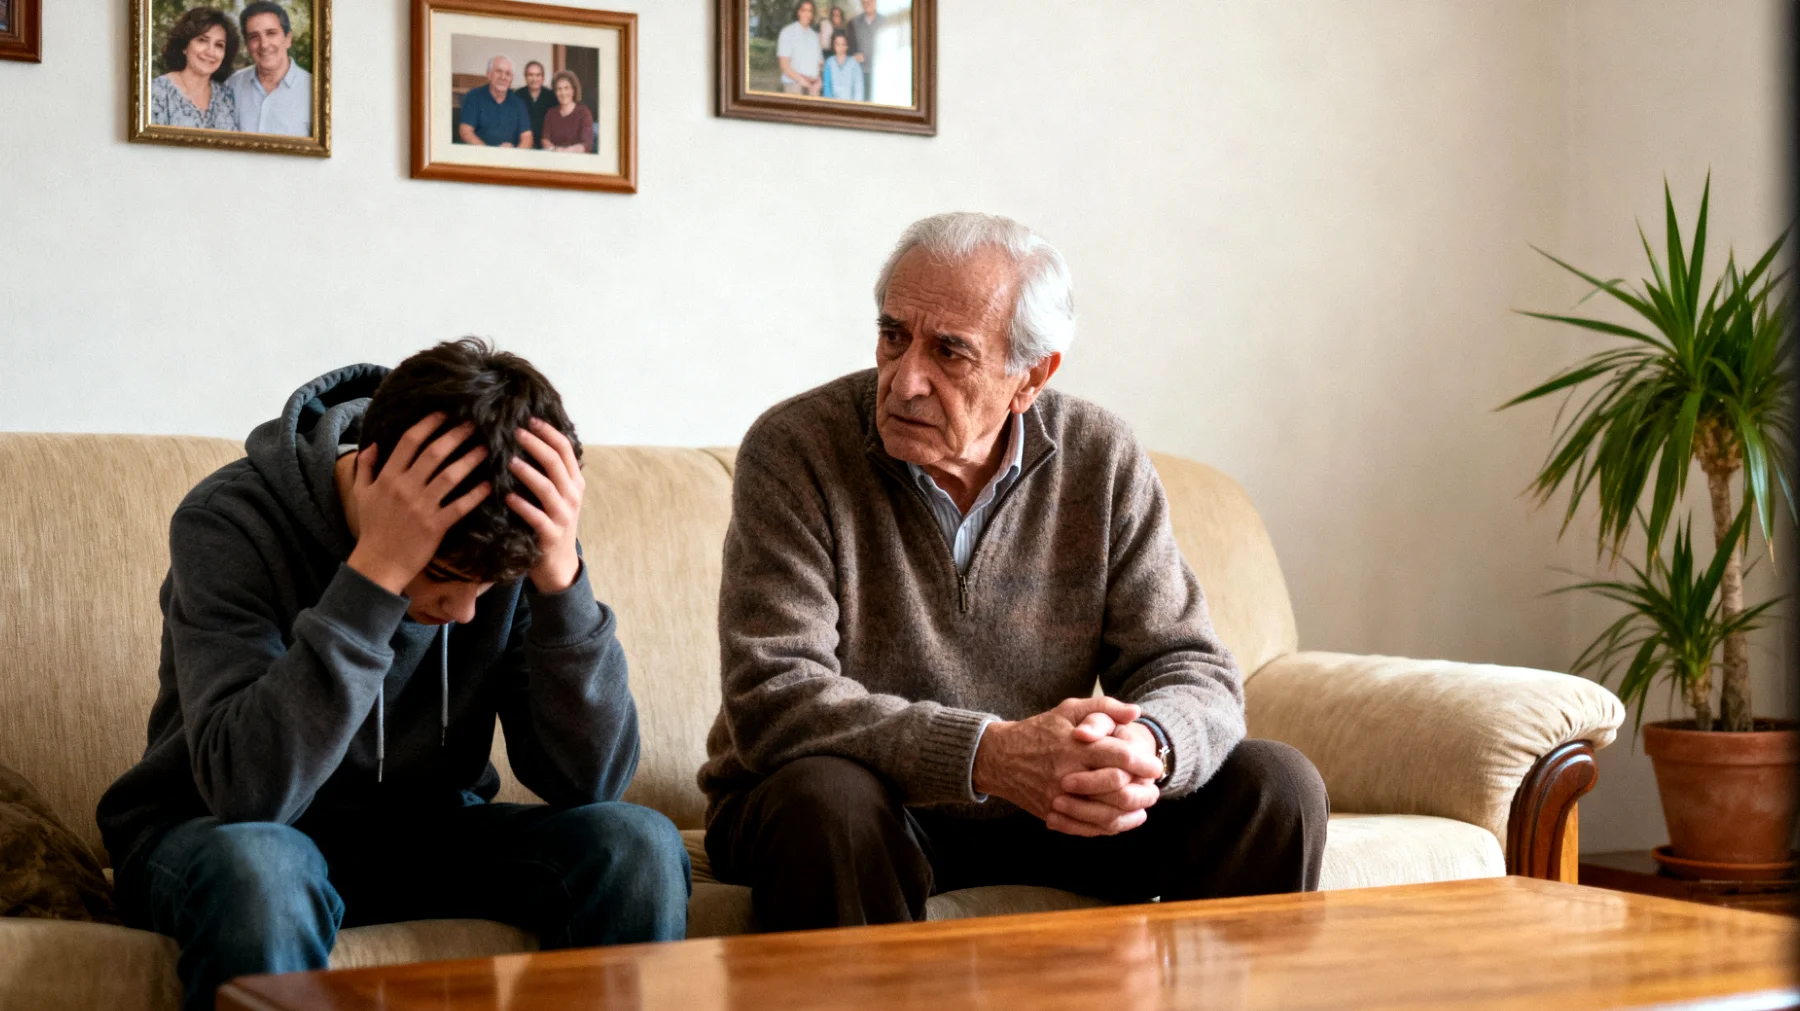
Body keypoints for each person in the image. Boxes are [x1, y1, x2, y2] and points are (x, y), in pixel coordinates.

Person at [699, 213, 1329, 933]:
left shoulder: (1101, 457)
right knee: (828, 802)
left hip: (1044, 812)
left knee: (1275, 786)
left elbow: (1189, 664)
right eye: (893, 335)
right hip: (858, 803)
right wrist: (989, 755)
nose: (906, 380)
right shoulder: (796, 450)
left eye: (950, 353)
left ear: (1031, 377)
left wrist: (1146, 745)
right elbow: (774, 696)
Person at [96, 340, 691, 1011]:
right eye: (442, 578)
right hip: (220, 835)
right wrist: (376, 575)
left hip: (424, 829)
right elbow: (247, 793)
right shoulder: (229, 521)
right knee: (263, 868)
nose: (466, 612)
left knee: (634, 843)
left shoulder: (508, 536)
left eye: (488, 586)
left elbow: (591, 781)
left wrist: (561, 583)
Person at [226, 2, 312, 137]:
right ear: (247, 44)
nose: (264, 44)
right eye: (254, 37)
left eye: (271, 33)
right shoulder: (232, 85)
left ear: (288, 39)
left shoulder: (313, 90)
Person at [150, 7, 239, 130]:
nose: (210, 52)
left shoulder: (227, 98)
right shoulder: (155, 92)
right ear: (184, 46)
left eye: (219, 45)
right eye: (202, 40)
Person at [458, 56, 533, 147]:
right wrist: (490, 153)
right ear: (489, 74)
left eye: (508, 74)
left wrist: (515, 154)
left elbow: (527, 137)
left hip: (510, 157)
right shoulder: (474, 96)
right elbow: (465, 131)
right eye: (498, 71)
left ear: (511, 78)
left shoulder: (519, 103)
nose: (503, 77)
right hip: (480, 154)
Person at [539, 70, 594, 154]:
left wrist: (565, 152)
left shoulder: (584, 113)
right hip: (555, 158)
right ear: (555, 92)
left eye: (566, 88)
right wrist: (554, 150)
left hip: (578, 160)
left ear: (573, 90)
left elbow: (586, 144)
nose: (563, 93)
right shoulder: (551, 113)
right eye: (559, 89)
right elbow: (545, 139)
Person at [775, 1, 822, 96]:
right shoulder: (787, 32)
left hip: (813, 87)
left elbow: (819, 63)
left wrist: (819, 80)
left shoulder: (814, 36)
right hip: (794, 84)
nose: (807, 14)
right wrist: (802, 80)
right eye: (804, 10)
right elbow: (784, 65)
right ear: (798, 12)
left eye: (810, 11)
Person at [513, 60, 556, 147]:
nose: (534, 79)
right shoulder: (517, 95)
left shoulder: (552, 96)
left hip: (545, 145)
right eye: (530, 75)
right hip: (521, 143)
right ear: (525, 77)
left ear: (543, 78)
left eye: (538, 75)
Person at [845, 0, 880, 101]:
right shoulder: (853, 23)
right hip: (859, 73)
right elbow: (848, 49)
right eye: (864, 1)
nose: (867, 2)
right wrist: (853, 56)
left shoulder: (884, 21)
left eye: (869, 1)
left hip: (879, 74)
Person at [821, 32, 863, 101]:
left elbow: (859, 89)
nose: (840, 47)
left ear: (847, 46)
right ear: (833, 46)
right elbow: (827, 87)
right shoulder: (829, 63)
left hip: (850, 105)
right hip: (833, 105)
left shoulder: (854, 64)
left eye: (843, 44)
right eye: (837, 44)